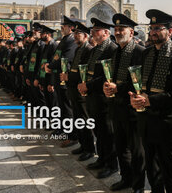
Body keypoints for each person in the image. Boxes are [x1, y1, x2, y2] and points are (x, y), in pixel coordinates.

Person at [129, 9, 172, 193]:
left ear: (170, 31)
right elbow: (143, 86)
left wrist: (150, 101)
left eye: (157, 28)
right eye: (151, 28)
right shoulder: (147, 54)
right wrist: (137, 98)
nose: (152, 32)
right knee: (151, 167)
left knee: (171, 168)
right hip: (146, 120)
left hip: (167, 121)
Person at [103, 13, 145, 193]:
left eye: (122, 29)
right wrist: (107, 86)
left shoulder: (140, 52)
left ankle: (138, 185)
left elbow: (140, 82)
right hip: (116, 106)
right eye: (117, 29)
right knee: (120, 147)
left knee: (136, 150)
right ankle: (126, 178)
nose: (118, 32)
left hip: (132, 108)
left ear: (132, 31)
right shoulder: (116, 51)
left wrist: (117, 88)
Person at [77, 17, 118, 179]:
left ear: (106, 33)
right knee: (98, 132)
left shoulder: (112, 49)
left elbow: (107, 77)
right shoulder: (95, 49)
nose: (92, 33)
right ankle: (101, 159)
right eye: (92, 31)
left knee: (107, 133)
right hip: (92, 96)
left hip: (104, 98)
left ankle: (111, 165)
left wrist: (89, 85)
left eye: (96, 30)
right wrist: (84, 84)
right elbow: (89, 71)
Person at [60, 21, 95, 161]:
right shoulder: (78, 49)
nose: (75, 36)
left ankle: (89, 149)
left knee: (84, 121)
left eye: (78, 34)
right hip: (73, 89)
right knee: (78, 120)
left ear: (85, 36)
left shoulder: (88, 50)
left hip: (81, 92)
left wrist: (69, 76)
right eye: (74, 33)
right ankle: (82, 145)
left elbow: (84, 73)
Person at [45, 16, 78, 145]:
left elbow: (66, 59)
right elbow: (56, 58)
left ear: (71, 28)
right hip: (58, 78)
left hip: (65, 79)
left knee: (67, 108)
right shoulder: (64, 40)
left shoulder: (72, 41)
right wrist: (50, 65)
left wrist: (50, 66)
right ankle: (65, 131)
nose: (62, 28)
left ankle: (72, 136)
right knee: (62, 108)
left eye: (64, 26)